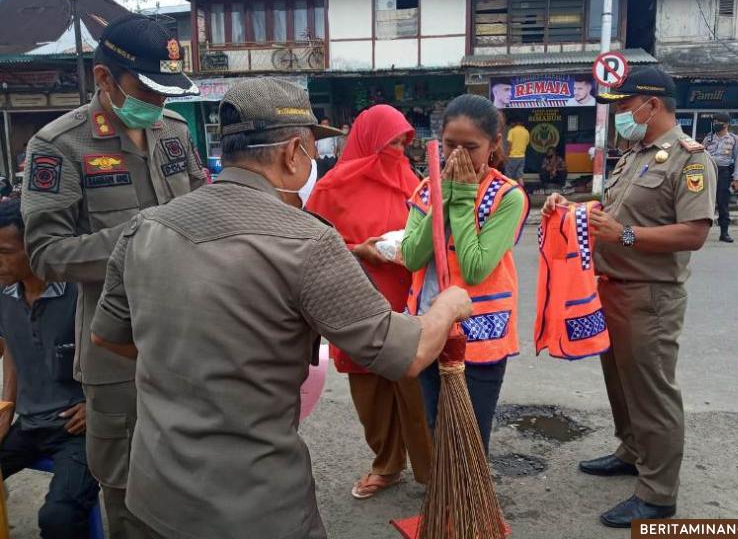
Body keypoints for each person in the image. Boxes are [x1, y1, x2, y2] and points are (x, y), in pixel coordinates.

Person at [89, 78, 472, 539]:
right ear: (293, 152)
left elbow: (107, 336)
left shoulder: (144, 227)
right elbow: (405, 355)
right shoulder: (306, 240)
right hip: (254, 504)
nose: (311, 162)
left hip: (155, 493)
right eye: (310, 150)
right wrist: (447, 305)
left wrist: (189, 364)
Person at [20, 14, 206, 538]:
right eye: (147, 89)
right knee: (127, 489)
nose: (160, 102)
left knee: (193, 472)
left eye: (167, 91)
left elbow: (202, 209)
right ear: (104, 79)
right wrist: (145, 235)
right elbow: (47, 255)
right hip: (115, 347)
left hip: (189, 339)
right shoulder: (60, 145)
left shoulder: (171, 132)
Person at [544, 67, 716, 527]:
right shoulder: (634, 155)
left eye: (624, 106)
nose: (621, 114)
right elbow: (611, 212)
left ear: (651, 105)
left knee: (652, 393)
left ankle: (659, 495)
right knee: (620, 382)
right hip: (610, 290)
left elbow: (695, 233)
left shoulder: (689, 159)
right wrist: (570, 207)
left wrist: (624, 237)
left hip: (649, 297)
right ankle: (633, 450)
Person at [307, 105, 433, 499]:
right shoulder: (332, 188)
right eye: (388, 142)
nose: (395, 151)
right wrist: (359, 250)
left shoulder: (411, 180)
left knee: (414, 389)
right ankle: (388, 463)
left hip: (405, 303)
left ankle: (432, 472)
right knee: (370, 396)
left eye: (401, 143)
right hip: (352, 303)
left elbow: (427, 236)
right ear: (366, 140)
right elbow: (311, 245)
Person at [401, 94, 528, 453]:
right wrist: (443, 198)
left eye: (470, 147)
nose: (456, 156)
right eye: (449, 145)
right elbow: (411, 256)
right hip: (429, 327)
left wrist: (460, 198)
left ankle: (471, 506)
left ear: (494, 145)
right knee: (437, 427)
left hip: (481, 335)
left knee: (469, 435)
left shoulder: (507, 197)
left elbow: (474, 268)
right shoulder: (427, 190)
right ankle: (445, 502)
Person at [0, 198, 99, 538]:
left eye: (5, 251)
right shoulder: (5, 294)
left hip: (77, 429)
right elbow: (13, 347)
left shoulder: (81, 292)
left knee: (59, 517)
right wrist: (7, 405)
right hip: (29, 424)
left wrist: (96, 405)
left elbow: (122, 353)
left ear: (35, 248)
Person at [702, 112, 738, 243]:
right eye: (714, 122)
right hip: (707, 172)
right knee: (704, 203)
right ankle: (700, 233)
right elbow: (700, 155)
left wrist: (737, 179)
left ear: (726, 124)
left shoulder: (733, 139)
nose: (715, 124)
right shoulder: (708, 138)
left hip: (723, 173)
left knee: (722, 203)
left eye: (718, 122)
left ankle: (724, 233)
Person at [505, 119, 529, 186]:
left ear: (515, 123)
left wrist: (507, 155)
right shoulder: (526, 132)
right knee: (519, 176)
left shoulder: (512, 131)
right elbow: (526, 143)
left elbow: (510, 144)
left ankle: (509, 190)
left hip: (512, 156)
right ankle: (523, 191)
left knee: (509, 175)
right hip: (522, 156)